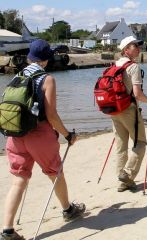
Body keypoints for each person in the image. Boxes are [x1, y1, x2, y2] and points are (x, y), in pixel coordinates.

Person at [1, 39, 85, 240]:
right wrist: (67, 135)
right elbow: (51, 115)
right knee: (55, 172)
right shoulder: (46, 79)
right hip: (39, 135)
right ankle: (68, 210)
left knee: (19, 179)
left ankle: (7, 230)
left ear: (30, 56)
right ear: (46, 59)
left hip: (15, 134)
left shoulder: (17, 76)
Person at [113, 36, 147, 192]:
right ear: (126, 49)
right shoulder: (133, 67)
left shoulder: (115, 65)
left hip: (114, 110)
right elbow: (137, 94)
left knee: (121, 146)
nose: (139, 48)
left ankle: (123, 182)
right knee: (141, 143)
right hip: (128, 109)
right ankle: (127, 173)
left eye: (139, 46)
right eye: (135, 46)